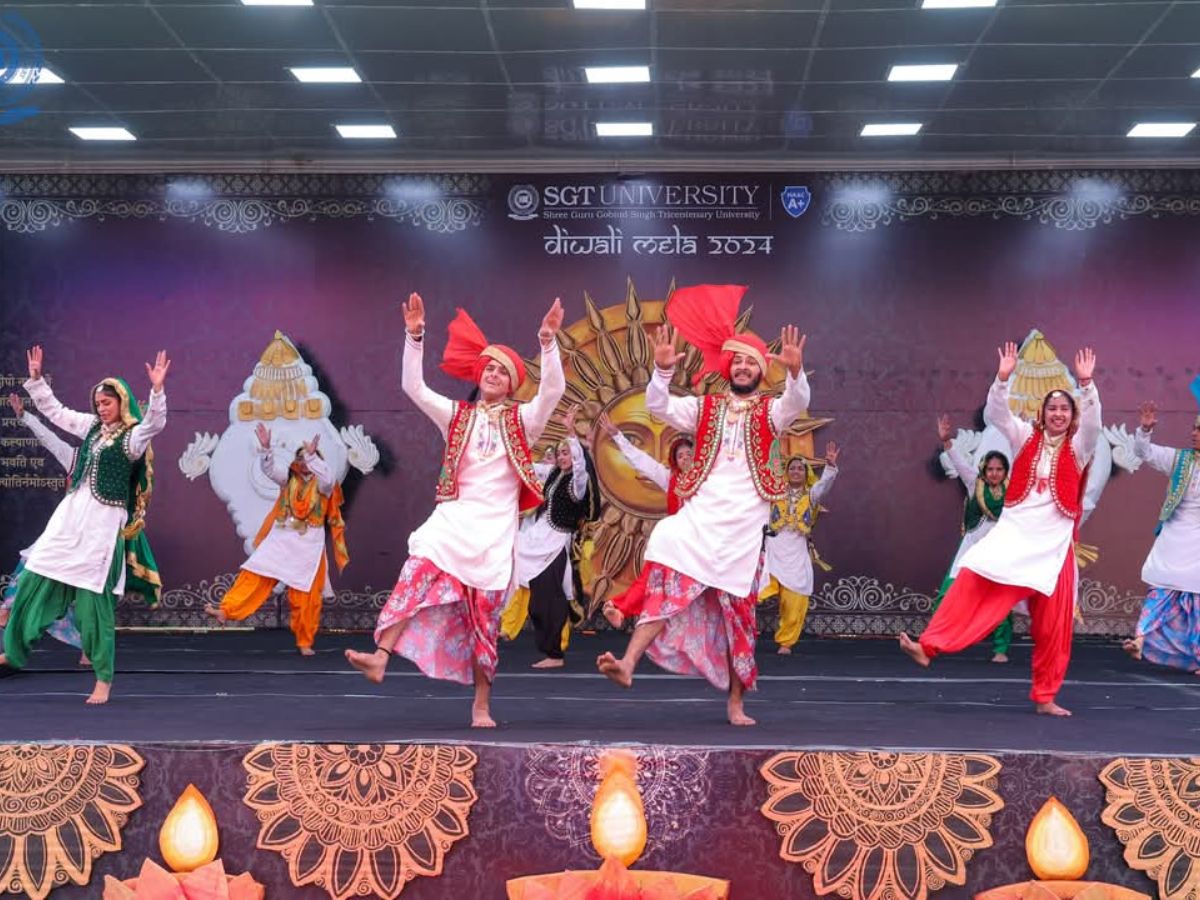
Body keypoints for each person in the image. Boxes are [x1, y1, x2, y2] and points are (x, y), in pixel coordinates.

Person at [346, 293, 565, 727]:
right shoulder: (457, 416)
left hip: (494, 533)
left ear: (514, 382)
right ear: (479, 374)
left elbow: (553, 390)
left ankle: (481, 705)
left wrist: (547, 343)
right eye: (489, 366)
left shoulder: (524, 420)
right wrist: (414, 336)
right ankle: (380, 657)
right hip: (452, 520)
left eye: (502, 369)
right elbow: (414, 388)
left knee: (485, 619)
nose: (494, 373)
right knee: (414, 574)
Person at [596, 283, 811, 726]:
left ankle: (735, 703)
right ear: (729, 365)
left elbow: (797, 403)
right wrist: (660, 371)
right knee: (666, 580)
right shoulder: (705, 408)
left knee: (740, 623)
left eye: (754, 362)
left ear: (760, 372)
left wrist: (794, 373)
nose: (747, 367)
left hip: (741, 534)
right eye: (741, 361)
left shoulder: (770, 412)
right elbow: (658, 407)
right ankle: (629, 663)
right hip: (699, 521)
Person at [900, 342, 1101, 717]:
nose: (1058, 413)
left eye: (1064, 408)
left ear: (1072, 415)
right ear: (1041, 413)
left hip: (1054, 548)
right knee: (972, 575)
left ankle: (1045, 697)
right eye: (1052, 408)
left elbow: (1093, 423)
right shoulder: (1024, 436)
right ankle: (928, 647)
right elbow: (997, 413)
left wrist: (1086, 386)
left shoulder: (1079, 446)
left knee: (1054, 627)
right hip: (1015, 536)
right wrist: (1003, 379)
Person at [1, 345, 170, 704]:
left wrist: (157, 391)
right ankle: (13, 651)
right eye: (97, 403)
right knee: (33, 578)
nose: (100, 408)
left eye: (106, 403)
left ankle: (102, 680)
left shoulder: (132, 436)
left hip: (101, 526)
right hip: (70, 519)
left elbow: (156, 424)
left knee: (94, 603)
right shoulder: (91, 427)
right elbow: (57, 414)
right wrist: (35, 382)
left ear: (121, 402)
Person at [205, 426, 348, 656]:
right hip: (282, 537)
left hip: (308, 543)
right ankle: (226, 610)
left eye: (307, 457)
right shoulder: (289, 480)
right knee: (254, 572)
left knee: (306, 594)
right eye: (299, 458)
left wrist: (312, 456)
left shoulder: (323, 485)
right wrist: (265, 449)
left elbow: (329, 478)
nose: (302, 462)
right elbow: (269, 470)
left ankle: (304, 642)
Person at [502, 405, 600, 668]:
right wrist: (511, 442)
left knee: (550, 598)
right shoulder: (554, 474)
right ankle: (509, 626)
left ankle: (555, 654)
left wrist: (570, 433)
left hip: (555, 545)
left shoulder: (576, 484)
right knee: (533, 596)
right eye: (560, 454)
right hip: (536, 540)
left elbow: (581, 468)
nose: (563, 457)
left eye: (566, 453)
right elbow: (529, 466)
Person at [1121, 398, 1200, 674]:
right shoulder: (1180, 459)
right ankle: (1140, 639)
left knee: (1197, 603)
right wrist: (1144, 430)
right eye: (1193, 428)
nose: (1193, 433)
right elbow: (1144, 452)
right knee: (1160, 590)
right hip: (1174, 537)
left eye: (1198, 430)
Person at [595, 411, 694, 629]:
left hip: (705, 544)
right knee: (652, 575)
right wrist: (618, 436)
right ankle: (621, 609)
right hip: (679, 541)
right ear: (675, 462)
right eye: (680, 455)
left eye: (689, 453)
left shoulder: (711, 481)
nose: (686, 457)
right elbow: (642, 462)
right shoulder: (671, 479)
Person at [932, 414, 1013, 663]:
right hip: (971, 547)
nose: (995, 473)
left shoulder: (1014, 491)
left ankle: (1000, 649)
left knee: (1001, 600)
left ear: (1005, 470)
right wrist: (947, 442)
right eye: (991, 469)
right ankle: (935, 640)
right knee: (947, 594)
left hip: (998, 551)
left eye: (999, 469)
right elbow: (958, 462)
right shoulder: (973, 483)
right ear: (984, 469)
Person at [758, 445, 839, 655]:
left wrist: (830, 466)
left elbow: (824, 486)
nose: (795, 471)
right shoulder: (773, 494)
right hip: (772, 551)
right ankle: (742, 634)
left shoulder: (811, 495)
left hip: (796, 553)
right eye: (792, 468)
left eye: (800, 469)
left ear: (806, 473)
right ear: (786, 472)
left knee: (794, 601)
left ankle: (786, 642)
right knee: (754, 594)